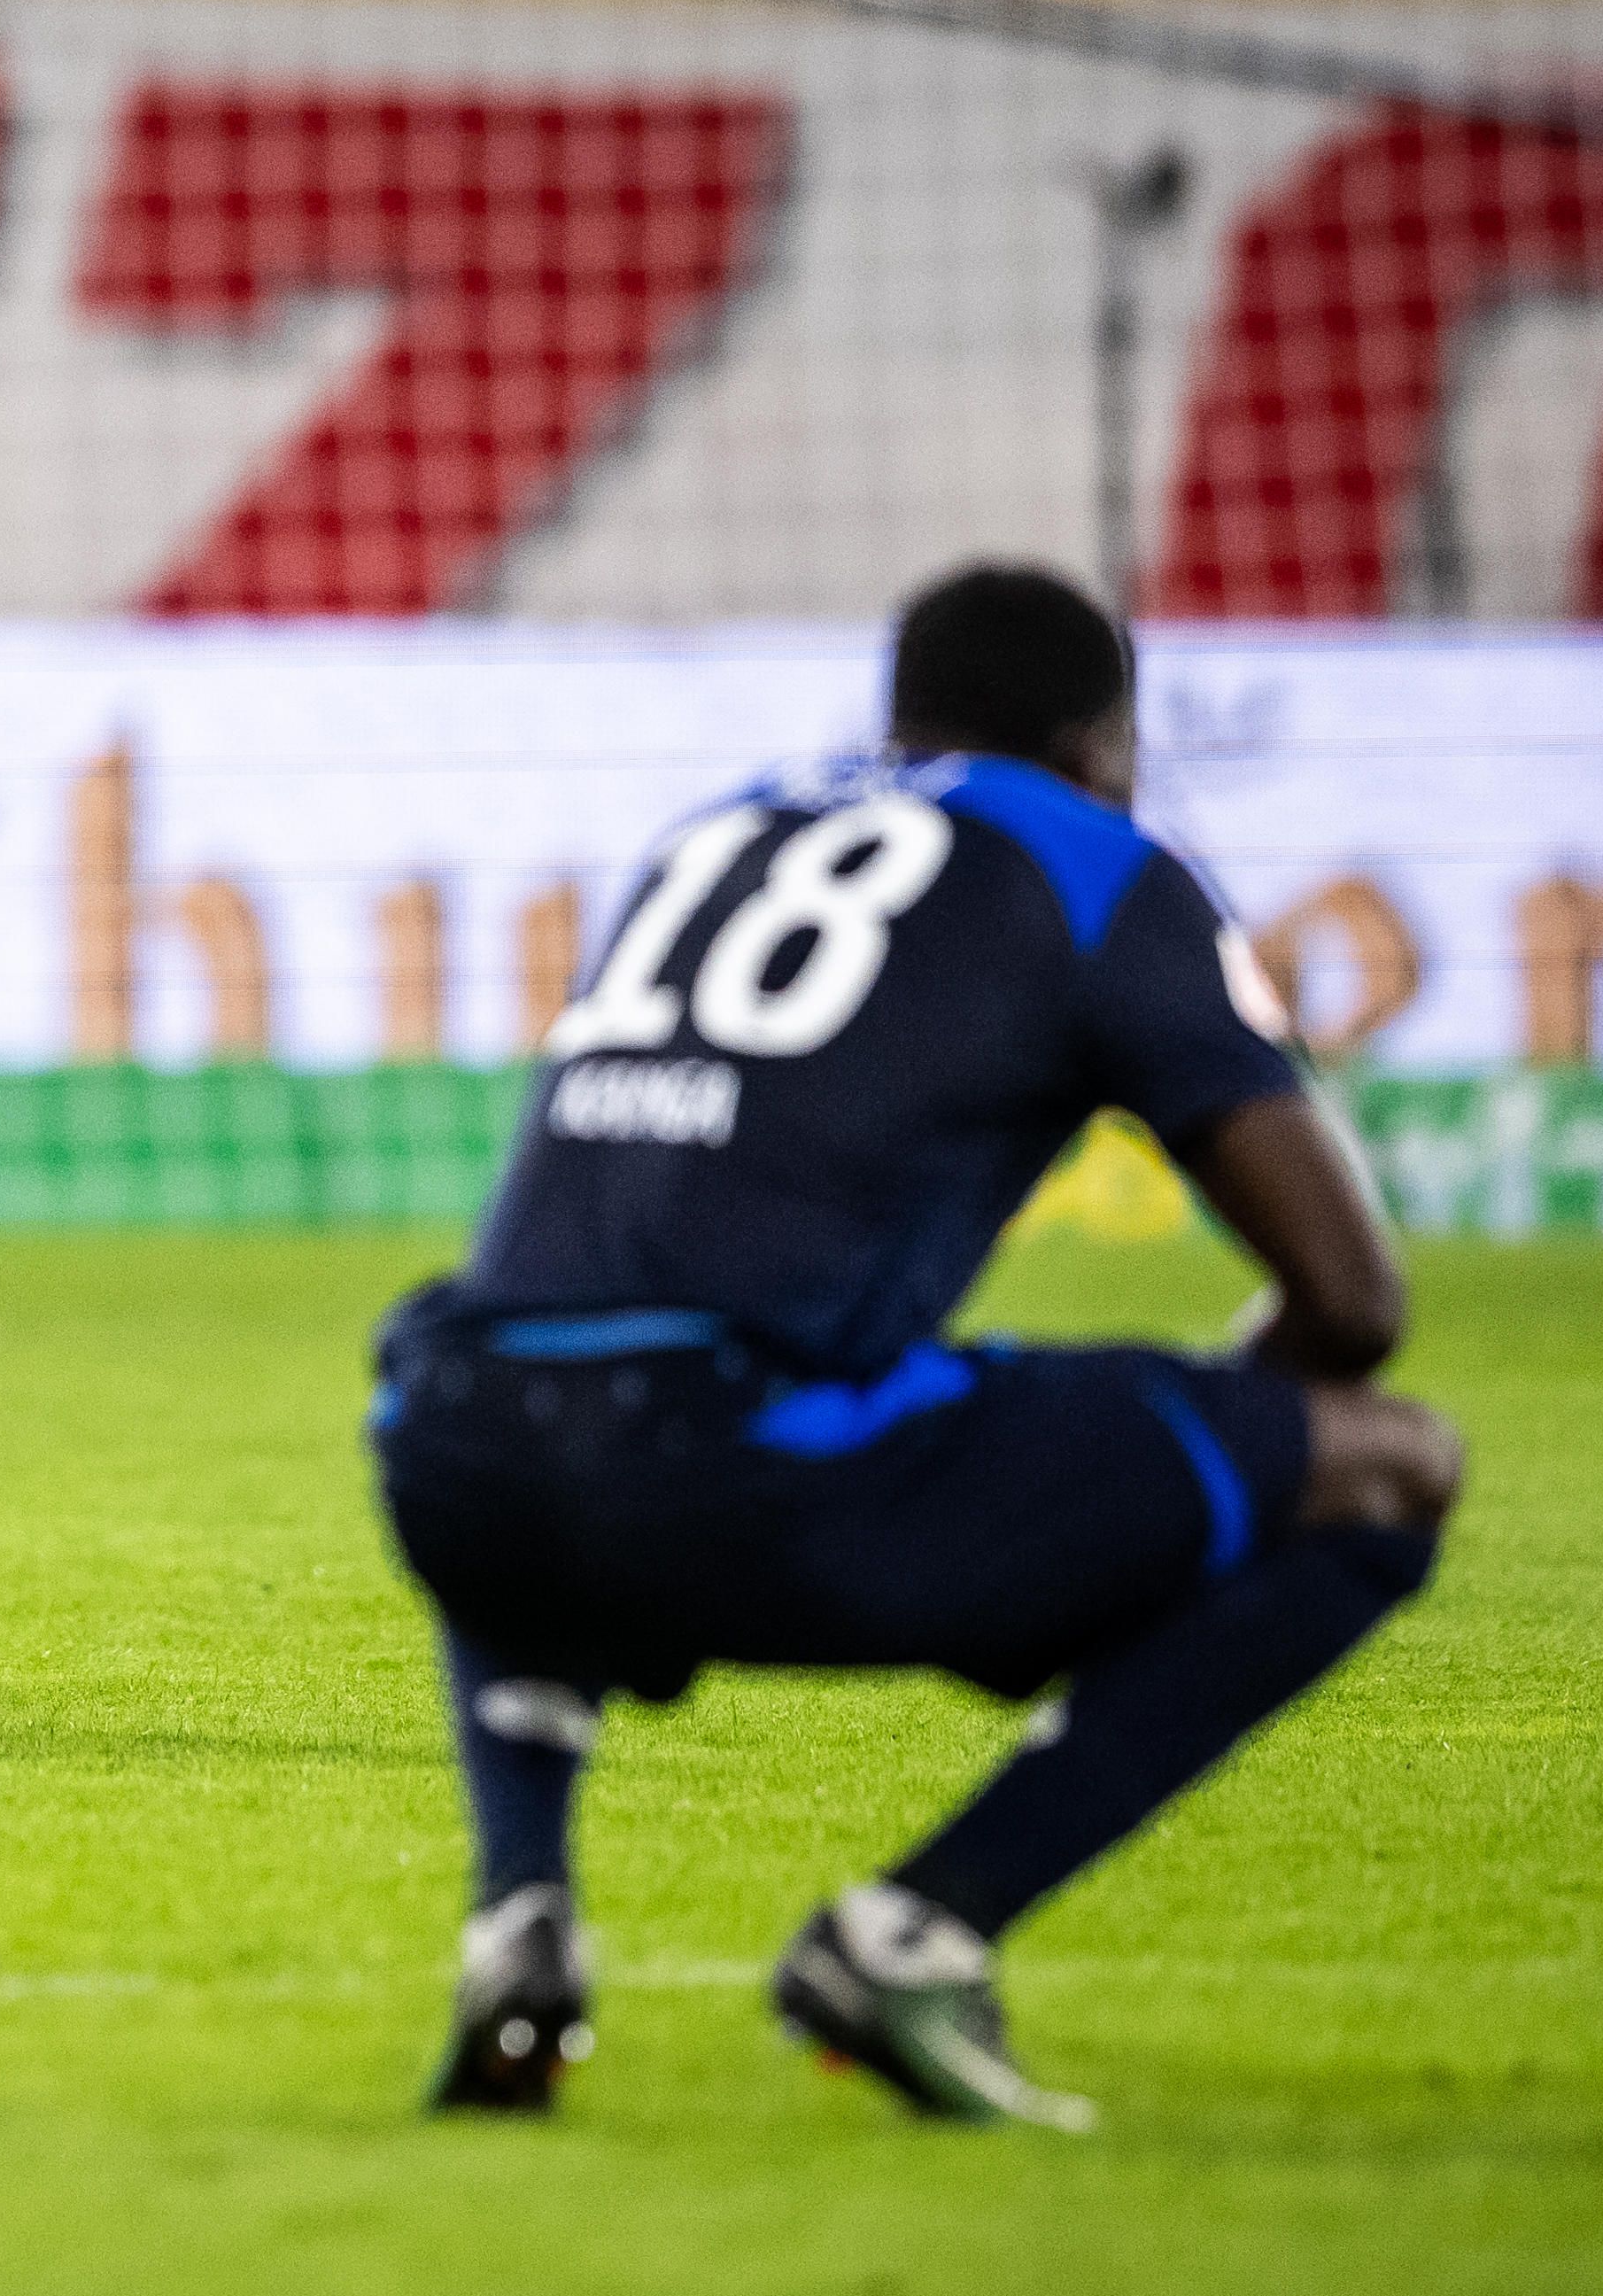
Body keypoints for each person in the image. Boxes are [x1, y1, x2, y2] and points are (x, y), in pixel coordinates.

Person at [372, 565, 1462, 2129]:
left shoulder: (724, 828)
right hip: (730, 1466)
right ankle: (918, 1930)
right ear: (1107, 740)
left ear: (899, 710)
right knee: (1391, 1463)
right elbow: (1355, 1304)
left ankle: (520, 1912)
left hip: (444, 1440)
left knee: (550, 1385)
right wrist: (1229, 1442)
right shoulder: (1099, 864)